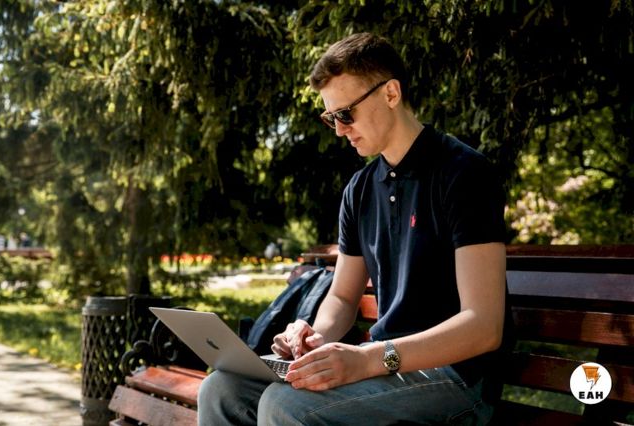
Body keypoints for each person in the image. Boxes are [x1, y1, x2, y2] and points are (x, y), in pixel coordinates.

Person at [198, 32, 511, 425]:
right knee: (222, 388)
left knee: (284, 405)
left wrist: (368, 359)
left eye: (345, 114)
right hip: (385, 365)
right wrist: (315, 337)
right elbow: (344, 297)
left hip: (456, 377)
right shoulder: (360, 190)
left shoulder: (464, 174)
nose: (339, 129)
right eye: (330, 117)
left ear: (391, 93)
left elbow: (483, 326)